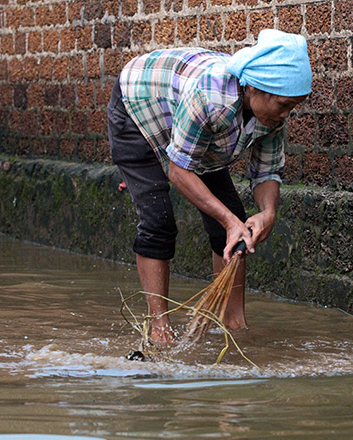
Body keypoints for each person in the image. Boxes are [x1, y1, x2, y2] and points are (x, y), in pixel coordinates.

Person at [107, 29, 312, 344]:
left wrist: (268, 213)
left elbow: (267, 171)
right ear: (256, 88)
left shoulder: (272, 116)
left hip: (199, 134)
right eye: (283, 105)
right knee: (159, 220)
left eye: (292, 108)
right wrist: (230, 221)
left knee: (234, 226)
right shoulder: (210, 96)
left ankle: (234, 323)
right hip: (140, 111)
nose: (286, 115)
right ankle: (158, 327)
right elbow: (178, 171)